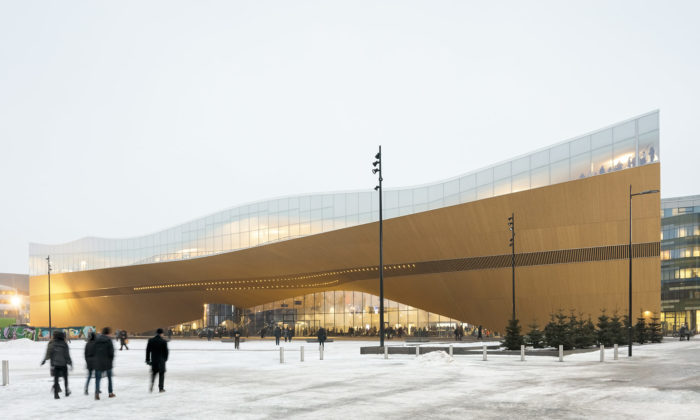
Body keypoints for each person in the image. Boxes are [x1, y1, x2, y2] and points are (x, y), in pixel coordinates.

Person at [42, 330, 72, 399]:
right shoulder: (64, 344)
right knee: (65, 378)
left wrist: (45, 360)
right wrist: (69, 362)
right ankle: (66, 391)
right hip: (63, 364)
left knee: (56, 378)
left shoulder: (52, 343)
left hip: (55, 364)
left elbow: (48, 353)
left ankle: (56, 394)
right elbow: (67, 354)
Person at [94, 327, 116, 400]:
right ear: (108, 333)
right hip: (107, 362)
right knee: (109, 378)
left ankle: (97, 393)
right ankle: (110, 393)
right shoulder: (109, 340)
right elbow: (111, 353)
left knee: (98, 379)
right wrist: (111, 360)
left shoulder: (96, 340)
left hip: (98, 362)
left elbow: (93, 350)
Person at [146, 328, 169, 393]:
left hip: (154, 361)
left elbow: (148, 351)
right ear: (161, 333)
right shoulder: (164, 341)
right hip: (161, 361)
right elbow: (166, 352)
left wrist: (147, 360)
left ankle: (151, 386)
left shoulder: (151, 340)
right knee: (161, 374)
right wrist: (165, 359)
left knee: (153, 374)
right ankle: (161, 388)